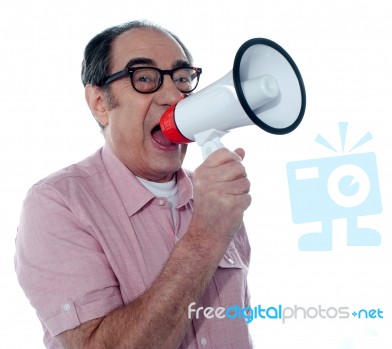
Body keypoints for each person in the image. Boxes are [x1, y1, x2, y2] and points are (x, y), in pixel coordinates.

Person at [15, 20, 252, 349]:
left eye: (182, 79)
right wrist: (205, 238)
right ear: (100, 103)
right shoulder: (57, 203)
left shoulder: (216, 200)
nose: (173, 96)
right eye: (144, 78)